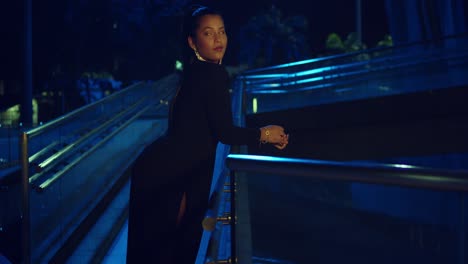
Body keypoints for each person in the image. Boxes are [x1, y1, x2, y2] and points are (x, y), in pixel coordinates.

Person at [126, 5, 289, 264]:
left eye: (222, 32)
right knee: (174, 250)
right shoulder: (213, 74)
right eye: (208, 33)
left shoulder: (192, 73)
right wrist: (266, 133)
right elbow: (224, 131)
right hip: (175, 175)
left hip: (162, 168)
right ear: (193, 42)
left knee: (154, 252)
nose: (218, 39)